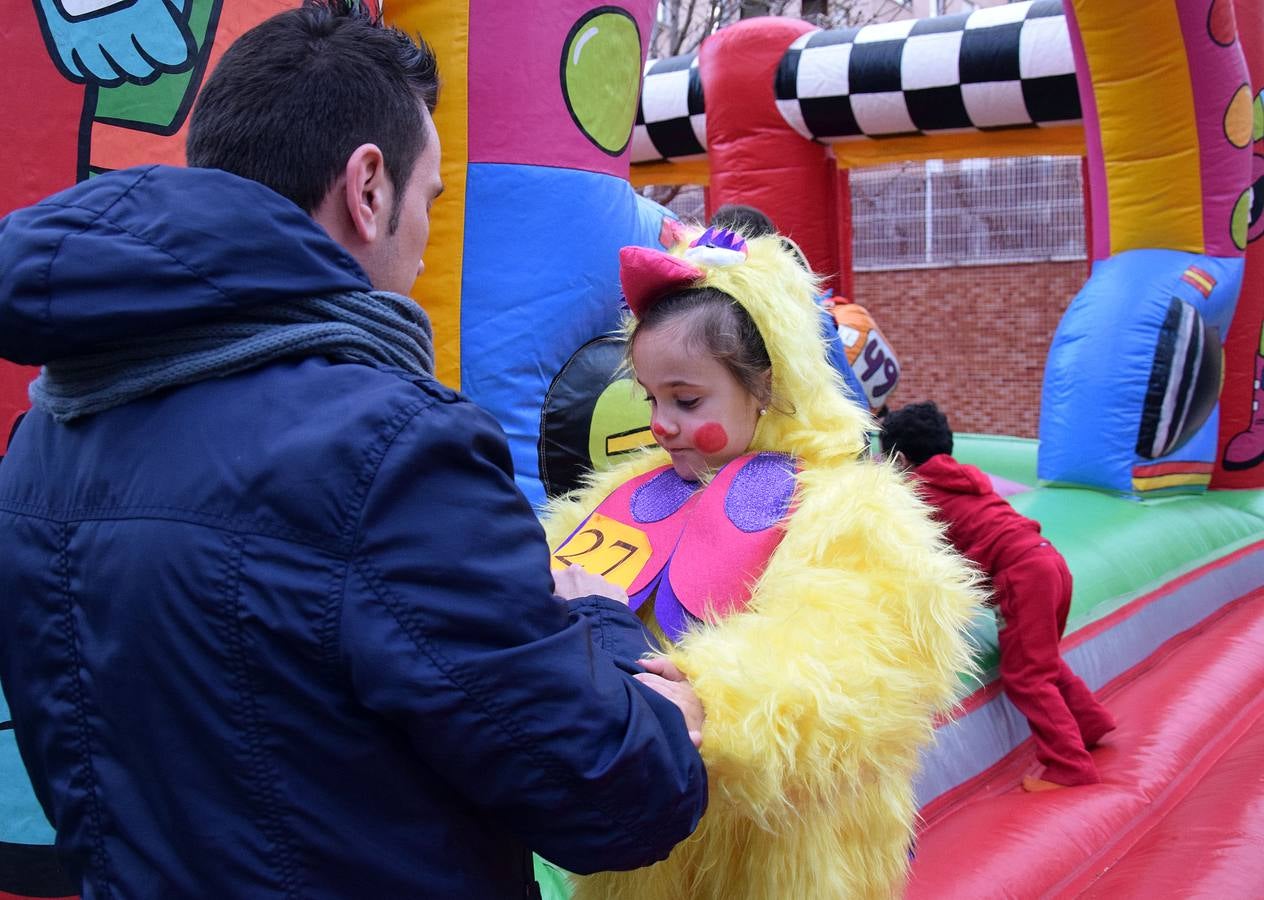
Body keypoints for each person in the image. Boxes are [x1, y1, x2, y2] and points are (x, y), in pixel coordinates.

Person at [0, 4, 707, 897]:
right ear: (368, 188)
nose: (419, 246)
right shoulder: (388, 452)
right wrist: (608, 633)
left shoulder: (40, 440)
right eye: (427, 202)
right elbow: (616, 795)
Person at [544, 227, 983, 898]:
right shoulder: (625, 496)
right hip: (641, 851)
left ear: (767, 386)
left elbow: (851, 656)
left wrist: (710, 700)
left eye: (687, 401)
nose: (661, 424)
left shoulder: (848, 507)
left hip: (782, 858)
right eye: (652, 400)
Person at [879, 401, 1116, 791]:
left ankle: (1069, 766)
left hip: (1023, 576)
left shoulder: (919, 493)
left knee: (1025, 675)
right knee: (1043, 661)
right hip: (1048, 561)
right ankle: (1090, 724)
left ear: (901, 460)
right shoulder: (963, 477)